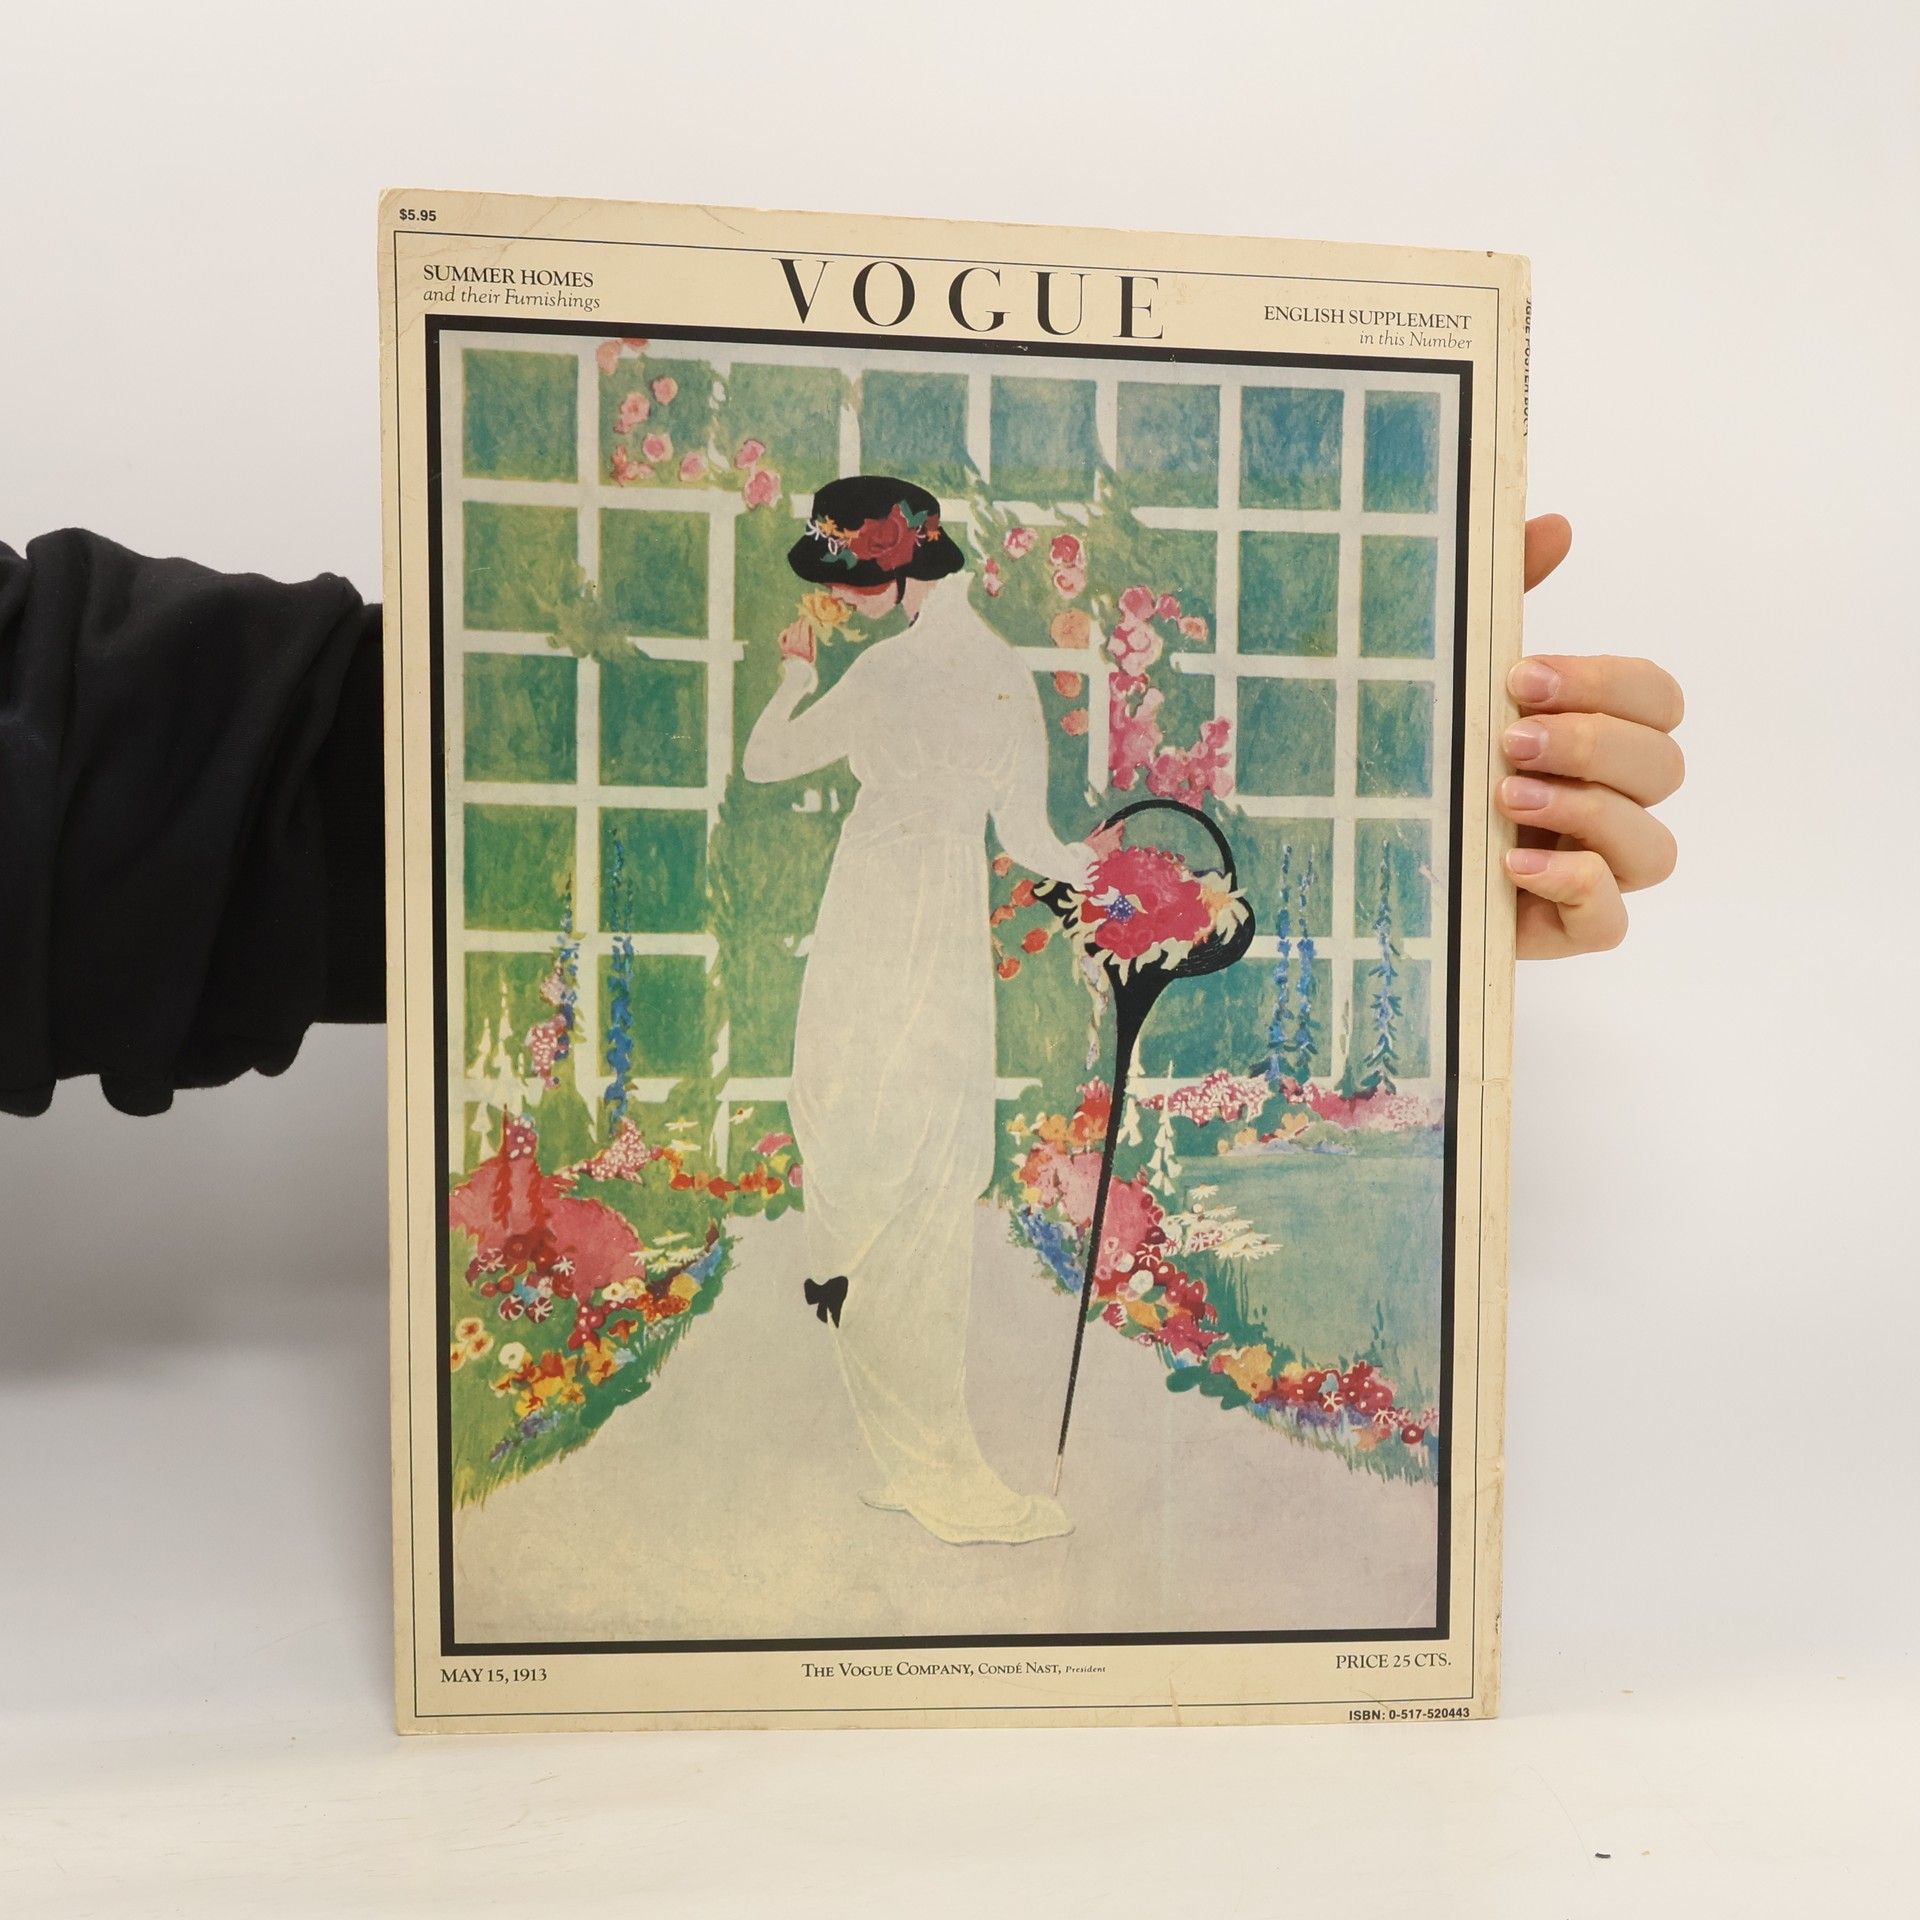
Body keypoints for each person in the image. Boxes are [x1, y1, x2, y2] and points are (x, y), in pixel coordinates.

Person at [742, 475, 1116, 1543]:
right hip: (935, 920)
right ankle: (919, 1452)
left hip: (874, 913)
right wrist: (1105, 872)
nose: (842, 597)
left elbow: (766, 760)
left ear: (901, 569)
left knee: (870, 1154)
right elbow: (1031, 839)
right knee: (924, 1165)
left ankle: (931, 1455)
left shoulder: (884, 673)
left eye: (852, 578)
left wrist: (793, 676)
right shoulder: (1001, 674)